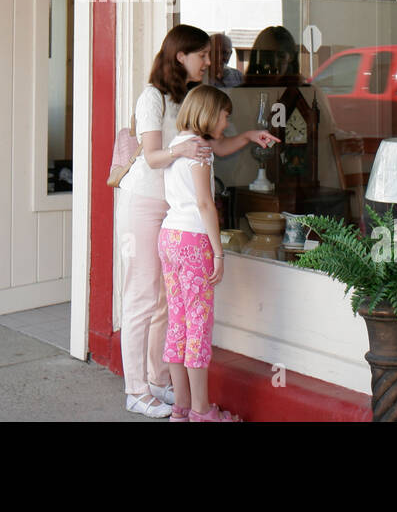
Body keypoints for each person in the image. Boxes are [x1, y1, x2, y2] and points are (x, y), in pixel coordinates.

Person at [116, 24, 277, 418]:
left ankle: (159, 382)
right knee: (140, 296)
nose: (209, 61)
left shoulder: (187, 98)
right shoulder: (151, 97)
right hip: (144, 201)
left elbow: (211, 145)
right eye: (202, 55)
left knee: (165, 304)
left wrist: (248, 137)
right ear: (179, 56)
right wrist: (183, 150)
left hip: (172, 211)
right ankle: (135, 390)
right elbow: (153, 156)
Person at [159, 85, 243, 421]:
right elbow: (205, 204)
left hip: (169, 236)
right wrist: (219, 252)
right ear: (209, 113)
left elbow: (223, 147)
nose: (226, 121)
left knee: (177, 321)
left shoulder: (178, 145)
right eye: (225, 114)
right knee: (198, 325)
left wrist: (249, 136)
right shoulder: (201, 152)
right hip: (194, 241)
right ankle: (202, 411)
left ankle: (181, 406)